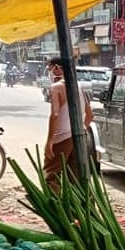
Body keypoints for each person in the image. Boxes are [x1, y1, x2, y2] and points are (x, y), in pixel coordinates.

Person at [43, 56, 94, 188]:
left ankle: (53, 200)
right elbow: (90, 115)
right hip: (80, 136)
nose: (50, 72)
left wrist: (50, 141)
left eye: (50, 69)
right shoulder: (79, 86)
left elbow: (55, 115)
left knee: (52, 175)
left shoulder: (56, 88)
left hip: (62, 138)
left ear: (57, 68)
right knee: (76, 177)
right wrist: (82, 129)